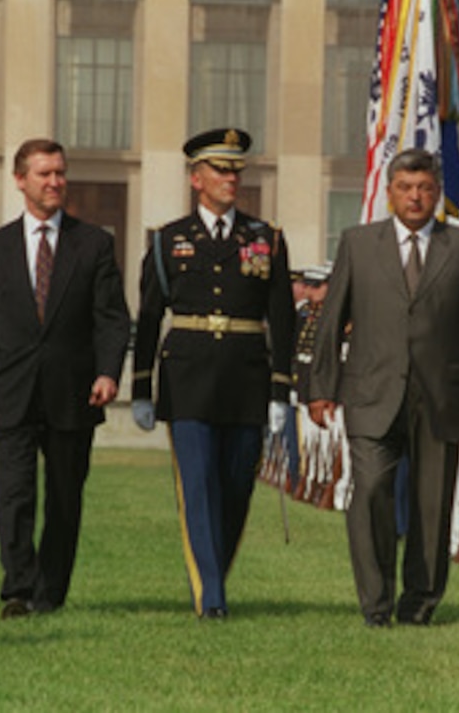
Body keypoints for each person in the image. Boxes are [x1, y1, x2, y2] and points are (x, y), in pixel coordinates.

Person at [308, 148, 459, 627]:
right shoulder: (357, 243)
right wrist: (320, 387)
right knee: (370, 488)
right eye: (405, 188)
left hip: (441, 396)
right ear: (390, 192)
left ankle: (419, 603)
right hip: (371, 392)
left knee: (432, 503)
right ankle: (376, 602)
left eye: (425, 189)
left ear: (437, 195)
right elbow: (331, 321)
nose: (415, 197)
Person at [131, 127, 294, 619]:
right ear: (195, 178)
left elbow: (283, 316)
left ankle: (213, 575)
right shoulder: (168, 240)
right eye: (221, 170)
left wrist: (281, 390)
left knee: (236, 490)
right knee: (198, 486)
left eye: (236, 170)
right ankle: (212, 597)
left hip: (246, 379)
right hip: (189, 381)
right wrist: (141, 388)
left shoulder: (266, 238)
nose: (231, 179)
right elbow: (149, 318)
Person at [0, 138, 130, 619]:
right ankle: (18, 587)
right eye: (44, 173)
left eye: (60, 172)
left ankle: (50, 591)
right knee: (13, 495)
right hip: (10, 395)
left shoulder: (94, 243)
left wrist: (107, 371)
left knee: (63, 498)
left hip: (73, 394)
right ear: (20, 180)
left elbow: (112, 318)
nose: (55, 181)